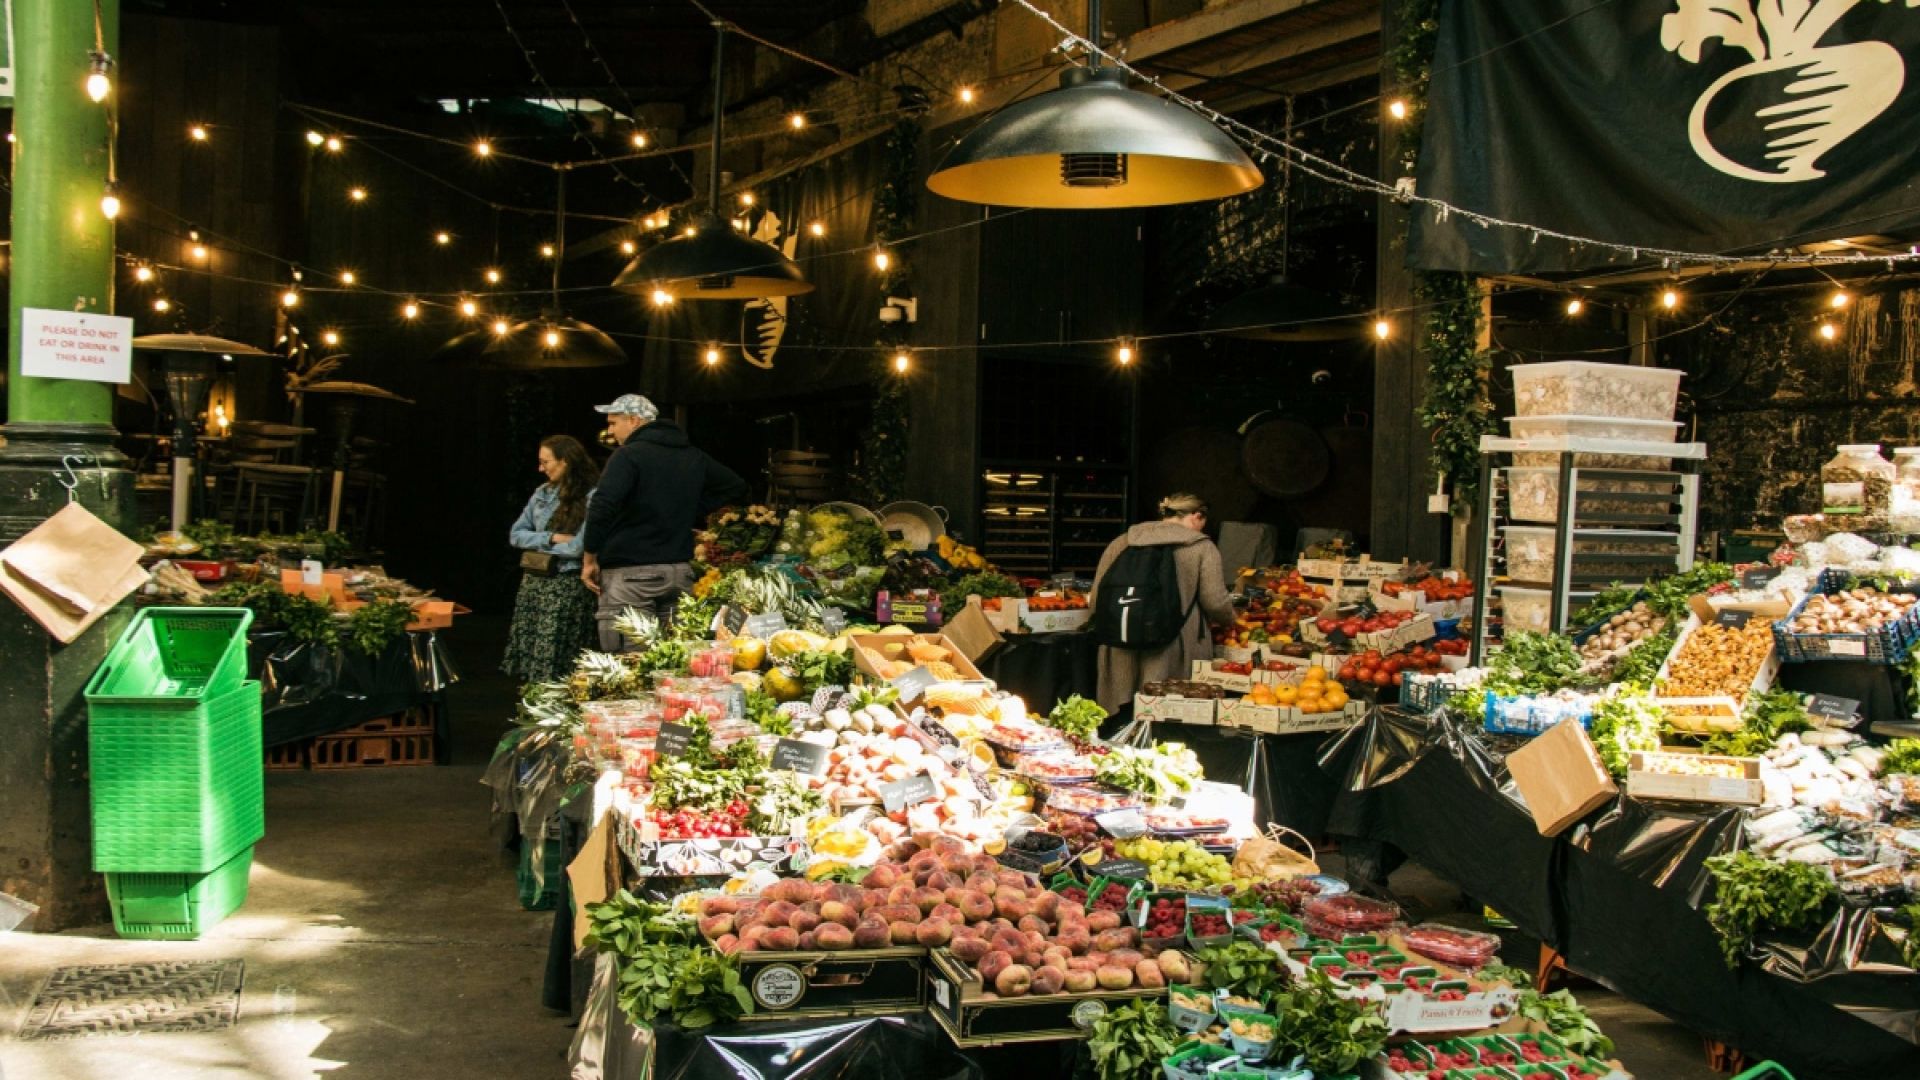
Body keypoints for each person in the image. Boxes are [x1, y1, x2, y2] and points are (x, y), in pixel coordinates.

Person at [582, 393, 747, 649]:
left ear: (635, 420)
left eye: (614, 423)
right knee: (673, 661)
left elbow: (602, 506)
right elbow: (735, 487)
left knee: (630, 666)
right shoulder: (692, 455)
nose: (610, 431)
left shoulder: (627, 456)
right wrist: (690, 511)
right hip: (679, 574)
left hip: (630, 577)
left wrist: (589, 557)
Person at [1091, 493, 1238, 712]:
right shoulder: (1202, 547)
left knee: (1119, 716)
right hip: (1174, 646)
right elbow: (1215, 601)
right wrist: (1232, 620)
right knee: (1164, 713)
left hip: (1119, 641)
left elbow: (1096, 598)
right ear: (1197, 516)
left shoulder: (1122, 542)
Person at [503, 435, 600, 681]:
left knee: (560, 660)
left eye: (545, 462)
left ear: (565, 461)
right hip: (534, 582)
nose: (541, 468)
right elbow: (516, 535)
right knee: (530, 657)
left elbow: (579, 547)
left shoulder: (592, 496)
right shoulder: (543, 493)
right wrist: (551, 538)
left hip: (566, 585)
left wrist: (539, 543)